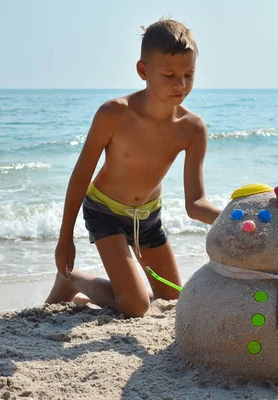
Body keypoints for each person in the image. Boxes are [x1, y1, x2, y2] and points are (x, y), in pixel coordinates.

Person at [45, 19, 221, 317]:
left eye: (189, 75)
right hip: (104, 212)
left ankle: (108, 292)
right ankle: (73, 280)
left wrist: (234, 218)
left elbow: (195, 204)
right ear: (143, 71)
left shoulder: (193, 129)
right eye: (169, 75)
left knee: (173, 299)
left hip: (148, 218)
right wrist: (65, 238)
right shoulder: (114, 114)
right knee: (136, 306)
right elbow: (80, 177)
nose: (181, 85)